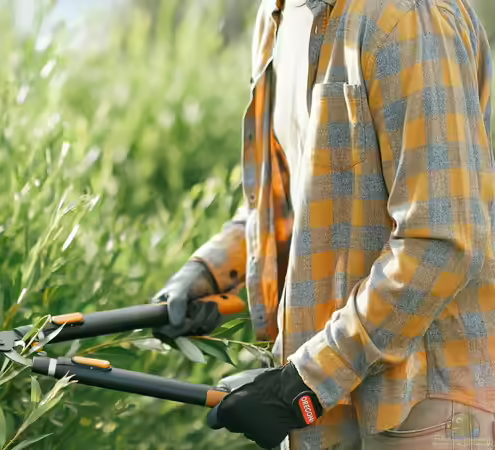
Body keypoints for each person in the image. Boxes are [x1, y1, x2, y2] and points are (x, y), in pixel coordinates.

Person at [150, 0, 495, 448]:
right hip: (333, 404)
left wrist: (303, 383)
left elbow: (441, 242)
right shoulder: (276, 17)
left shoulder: (403, 17)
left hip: (421, 410)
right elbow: (303, 197)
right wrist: (212, 272)